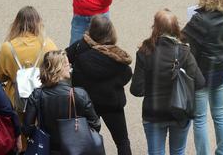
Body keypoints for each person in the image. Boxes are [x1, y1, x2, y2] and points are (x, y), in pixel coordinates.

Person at [130, 9, 205, 155]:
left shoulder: (145, 52)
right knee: (178, 152)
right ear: (176, 27)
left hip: (154, 113)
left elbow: (136, 90)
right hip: (180, 111)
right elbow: (200, 82)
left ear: (155, 27)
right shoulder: (184, 52)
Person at [181, 0, 223, 155]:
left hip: (201, 73)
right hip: (221, 69)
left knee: (200, 118)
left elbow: (182, 38)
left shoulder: (200, 20)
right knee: (219, 114)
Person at [66, 15, 133, 155]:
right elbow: (127, 75)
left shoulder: (79, 47)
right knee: (122, 142)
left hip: (86, 104)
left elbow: (64, 58)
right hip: (112, 104)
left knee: (86, 142)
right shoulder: (116, 56)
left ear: (91, 31)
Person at [0, 6, 57, 152]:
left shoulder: (7, 47)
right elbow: (56, 70)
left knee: (19, 138)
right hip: (42, 98)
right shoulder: (48, 44)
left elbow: (1, 75)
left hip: (17, 100)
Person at [23, 50, 101, 154]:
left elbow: (27, 129)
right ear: (59, 68)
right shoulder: (79, 94)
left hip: (47, 149)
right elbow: (95, 125)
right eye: (67, 64)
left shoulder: (37, 95)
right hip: (75, 150)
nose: (70, 67)